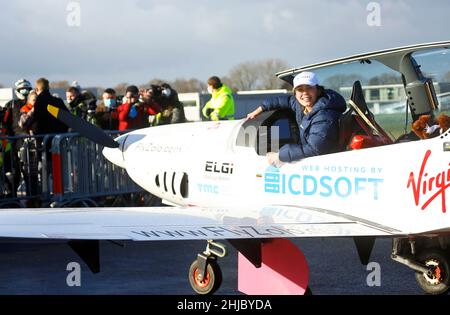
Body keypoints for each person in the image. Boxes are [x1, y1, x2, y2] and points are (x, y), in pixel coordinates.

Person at [247, 71, 346, 166]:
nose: (305, 93)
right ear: (295, 93)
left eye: (309, 88)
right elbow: (282, 101)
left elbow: (314, 149)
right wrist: (260, 109)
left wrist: (280, 155)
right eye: (300, 89)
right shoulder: (301, 105)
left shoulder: (324, 116)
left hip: (323, 161)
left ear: (318, 91)